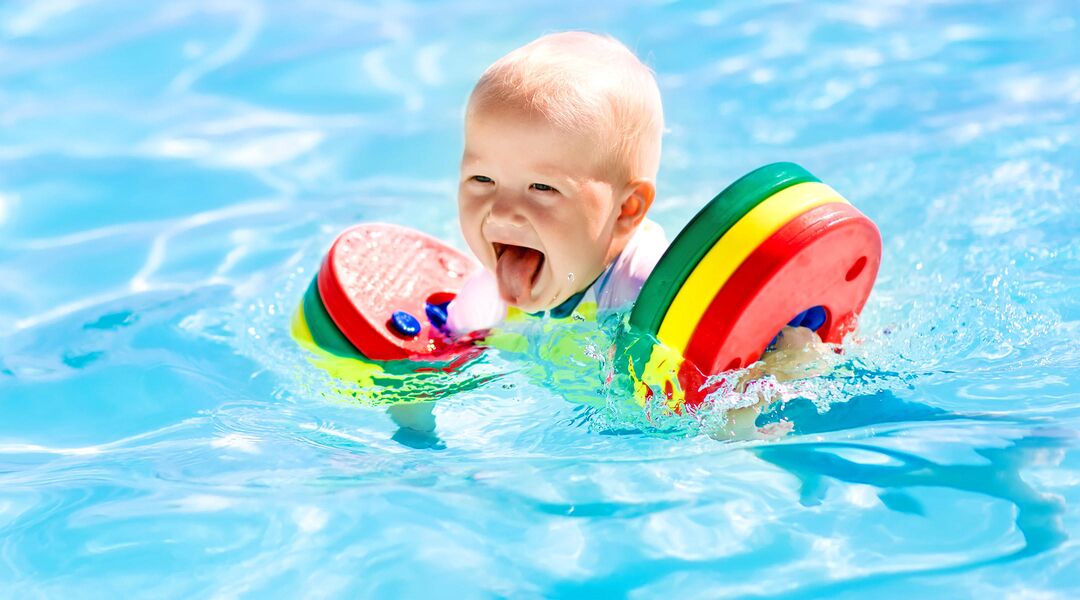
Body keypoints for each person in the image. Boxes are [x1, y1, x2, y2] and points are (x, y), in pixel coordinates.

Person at [446, 31, 668, 333]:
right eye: (482, 179)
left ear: (626, 209)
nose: (501, 212)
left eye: (542, 187)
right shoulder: (483, 300)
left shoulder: (646, 289)